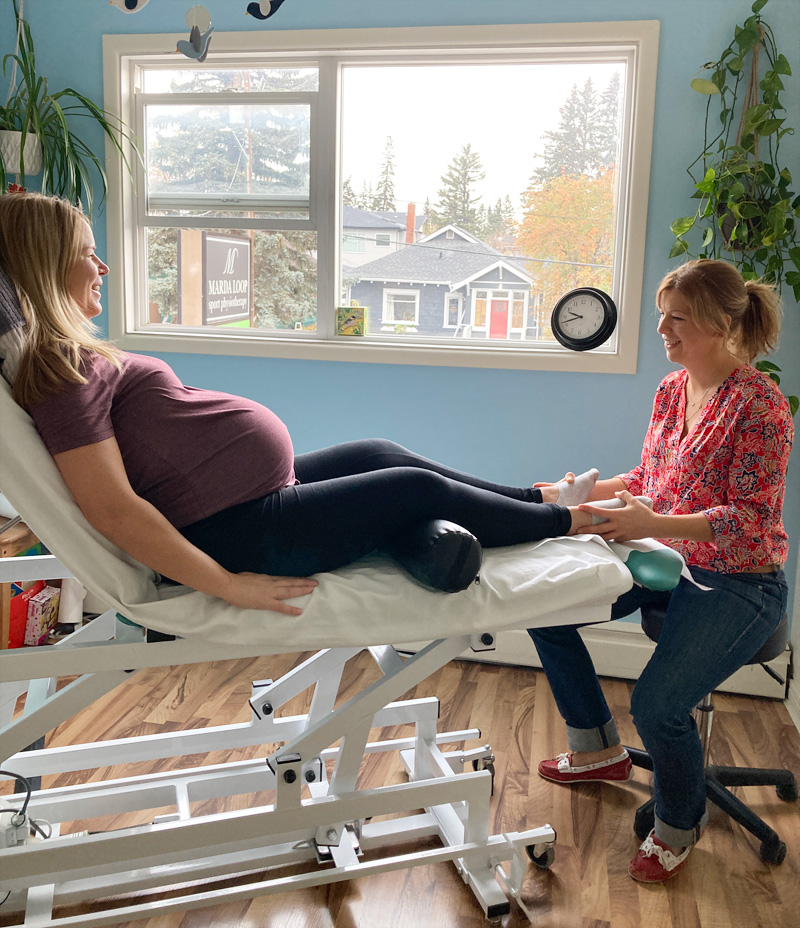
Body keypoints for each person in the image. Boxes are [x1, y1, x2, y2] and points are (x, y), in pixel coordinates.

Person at [0, 192, 613, 616]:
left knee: (377, 452)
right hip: (241, 532)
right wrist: (224, 586)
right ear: (47, 266)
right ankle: (572, 523)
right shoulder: (59, 371)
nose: (101, 265)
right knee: (412, 490)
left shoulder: (66, 359)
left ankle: (540, 497)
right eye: (87, 253)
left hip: (252, 503)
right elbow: (112, 510)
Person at [529, 258, 793, 883]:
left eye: (677, 319)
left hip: (740, 580)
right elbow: (654, 480)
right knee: (541, 605)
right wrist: (582, 495)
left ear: (722, 324)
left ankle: (678, 825)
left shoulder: (762, 407)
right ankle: (597, 750)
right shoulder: (673, 390)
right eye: (661, 316)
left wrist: (652, 523)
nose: (663, 331)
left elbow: (751, 519)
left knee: (657, 705)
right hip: (663, 558)